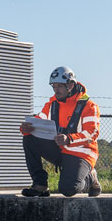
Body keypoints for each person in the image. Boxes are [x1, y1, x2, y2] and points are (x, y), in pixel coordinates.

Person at [19, 66, 101, 197]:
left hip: (81, 154)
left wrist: (69, 138)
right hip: (60, 149)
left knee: (68, 189)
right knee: (29, 138)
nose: (56, 90)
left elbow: (92, 133)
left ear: (70, 85)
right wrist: (28, 127)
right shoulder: (52, 104)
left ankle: (90, 178)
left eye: (59, 86)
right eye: (54, 86)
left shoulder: (89, 106)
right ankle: (40, 185)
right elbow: (40, 119)